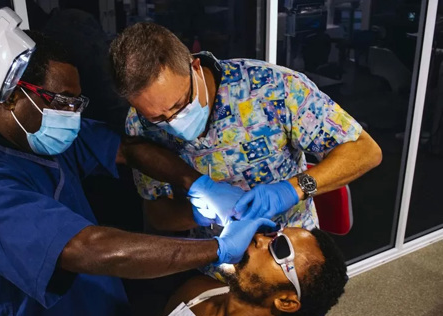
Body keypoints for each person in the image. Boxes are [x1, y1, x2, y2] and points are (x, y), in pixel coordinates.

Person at [0, 30, 275, 316]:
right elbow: (86, 247)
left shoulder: (33, 141)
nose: (72, 114)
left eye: (77, 103)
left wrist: (198, 184)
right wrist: (217, 248)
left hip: (97, 314)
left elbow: (130, 151)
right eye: (62, 102)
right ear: (12, 96)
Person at [108, 22, 382, 234]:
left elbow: (365, 151)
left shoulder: (274, 88)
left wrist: (295, 188)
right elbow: (157, 214)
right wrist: (200, 214)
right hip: (213, 263)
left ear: (194, 67)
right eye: (158, 117)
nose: (173, 121)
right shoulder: (139, 125)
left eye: (180, 104)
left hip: (293, 252)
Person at [149, 227, 348, 316]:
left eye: (280, 249)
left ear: (286, 302)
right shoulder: (198, 290)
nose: (259, 238)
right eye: (273, 234)